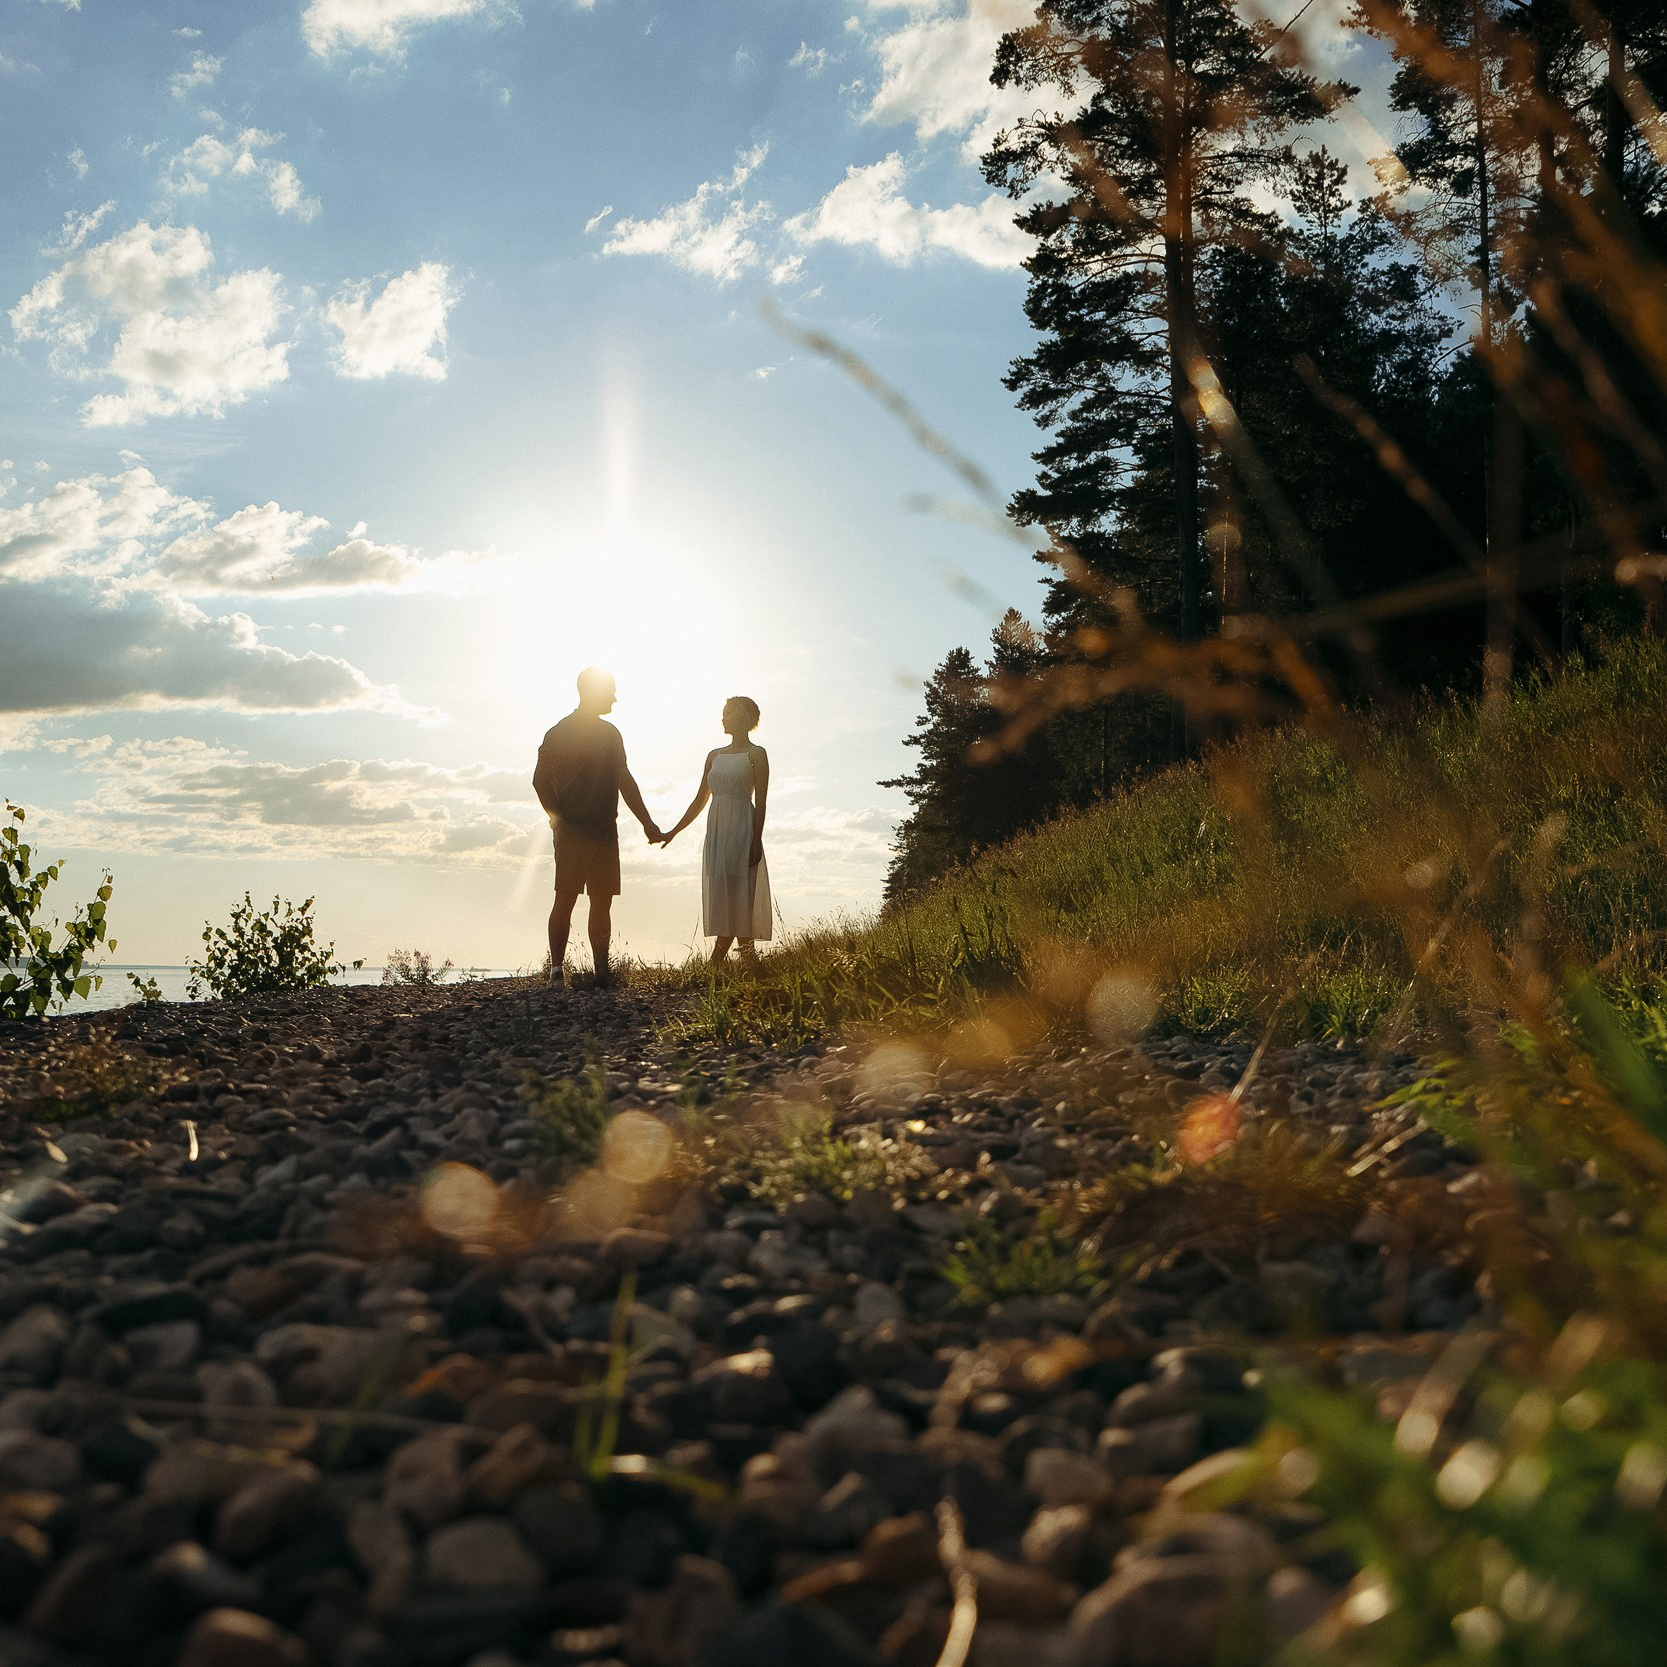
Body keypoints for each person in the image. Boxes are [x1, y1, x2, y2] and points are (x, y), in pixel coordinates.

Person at [533, 667, 661, 988]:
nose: (615, 697)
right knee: (568, 898)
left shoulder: (609, 735)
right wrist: (558, 819)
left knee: (599, 900)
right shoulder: (559, 733)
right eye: (610, 691)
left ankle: (600, 970)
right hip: (575, 831)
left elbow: (623, 780)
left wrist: (647, 822)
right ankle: (558, 970)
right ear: (591, 692)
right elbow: (540, 781)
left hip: (605, 831)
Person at [660, 696, 772, 963]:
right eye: (723, 713)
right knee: (723, 891)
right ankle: (747, 960)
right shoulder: (714, 756)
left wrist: (756, 840)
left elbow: (762, 801)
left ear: (745, 718)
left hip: (742, 827)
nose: (723, 718)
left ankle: (720, 959)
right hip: (718, 830)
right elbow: (700, 800)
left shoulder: (757, 754)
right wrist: (673, 831)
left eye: (728, 713)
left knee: (739, 890)